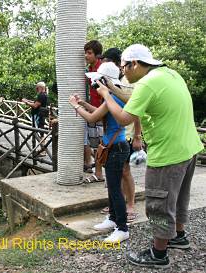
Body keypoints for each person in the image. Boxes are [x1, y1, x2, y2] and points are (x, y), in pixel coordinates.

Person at [96, 44, 203, 268]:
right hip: (188, 148)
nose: (123, 72)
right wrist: (113, 89)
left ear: (134, 63)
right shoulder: (169, 74)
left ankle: (158, 254)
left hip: (167, 154)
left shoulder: (147, 83)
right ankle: (178, 236)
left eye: (124, 67)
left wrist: (106, 94)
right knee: (178, 198)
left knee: (158, 204)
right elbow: (134, 95)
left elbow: (124, 118)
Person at [69, 62, 131, 243]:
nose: (95, 85)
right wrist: (83, 103)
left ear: (104, 80)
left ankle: (122, 228)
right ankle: (113, 219)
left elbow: (92, 117)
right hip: (115, 147)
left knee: (115, 189)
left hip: (116, 148)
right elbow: (100, 112)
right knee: (112, 188)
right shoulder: (115, 94)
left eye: (97, 81)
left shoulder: (113, 95)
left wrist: (75, 105)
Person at [99, 48, 142, 222]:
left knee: (126, 172)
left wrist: (138, 136)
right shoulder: (115, 84)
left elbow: (136, 110)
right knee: (120, 172)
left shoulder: (127, 82)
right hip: (121, 132)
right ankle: (118, 206)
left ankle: (129, 205)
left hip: (128, 133)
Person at [83, 40, 105, 182]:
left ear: (97, 55)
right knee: (96, 144)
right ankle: (98, 172)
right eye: (86, 52)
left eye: (89, 53)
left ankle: (99, 172)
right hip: (93, 110)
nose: (86, 55)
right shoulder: (90, 69)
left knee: (101, 144)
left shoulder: (101, 69)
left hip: (101, 111)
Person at [22, 81, 49, 156]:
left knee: (39, 132)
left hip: (38, 116)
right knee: (39, 132)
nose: (36, 89)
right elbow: (36, 102)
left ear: (40, 87)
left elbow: (35, 106)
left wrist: (26, 103)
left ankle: (43, 151)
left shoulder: (42, 95)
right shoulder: (43, 94)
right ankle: (39, 149)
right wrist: (27, 101)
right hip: (39, 115)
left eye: (37, 87)